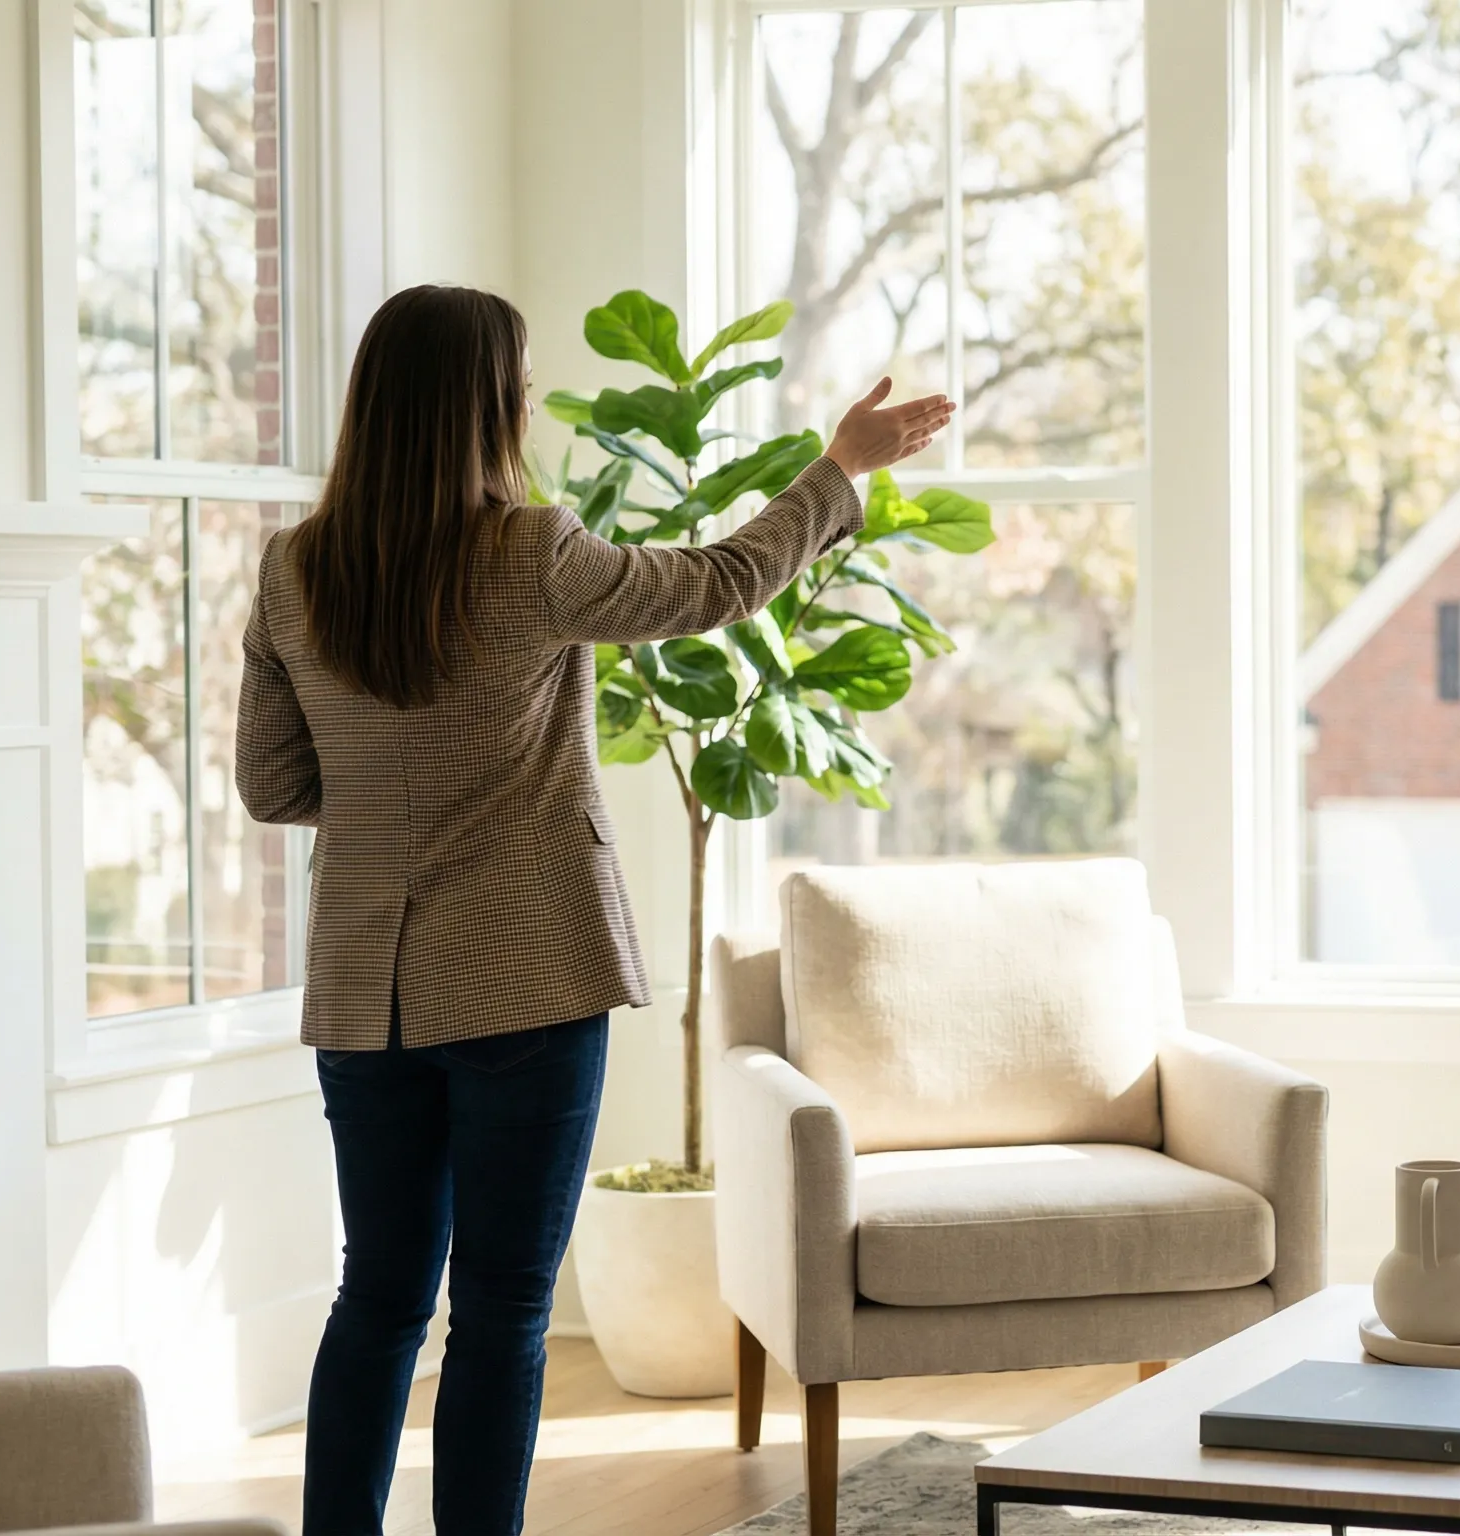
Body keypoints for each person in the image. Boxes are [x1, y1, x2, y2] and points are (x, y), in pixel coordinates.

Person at [236, 284, 950, 1535]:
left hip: (366, 992)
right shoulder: (529, 553)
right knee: (505, 1308)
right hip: (527, 978)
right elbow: (721, 582)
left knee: (379, 1299)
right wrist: (838, 468)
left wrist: (389, 803)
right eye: (515, 381)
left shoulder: (295, 570)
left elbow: (274, 783)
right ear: (490, 404)